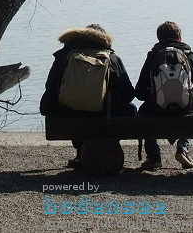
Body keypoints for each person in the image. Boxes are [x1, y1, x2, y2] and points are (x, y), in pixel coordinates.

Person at [40, 24, 136, 168]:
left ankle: (80, 152)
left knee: (71, 105)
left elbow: (50, 87)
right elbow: (128, 94)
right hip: (105, 116)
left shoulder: (65, 56)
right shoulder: (112, 58)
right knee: (131, 108)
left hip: (69, 115)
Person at [134, 21, 193, 170]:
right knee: (192, 108)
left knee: (143, 111)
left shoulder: (153, 55)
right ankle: (183, 148)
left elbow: (140, 92)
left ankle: (154, 156)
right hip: (183, 109)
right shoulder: (188, 54)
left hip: (157, 109)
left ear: (158, 38)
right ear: (179, 37)